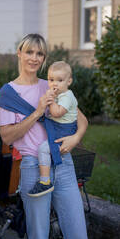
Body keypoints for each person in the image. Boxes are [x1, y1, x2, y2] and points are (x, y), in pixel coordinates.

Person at [0, 33, 88, 239]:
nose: (34, 58)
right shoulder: (8, 93)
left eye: (39, 53)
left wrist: (75, 138)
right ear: (19, 53)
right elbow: (7, 137)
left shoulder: (52, 84)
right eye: (29, 52)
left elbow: (82, 120)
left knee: (78, 238)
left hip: (63, 164)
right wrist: (38, 111)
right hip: (33, 168)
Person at [28, 61, 78, 197]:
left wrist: (50, 101)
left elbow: (56, 113)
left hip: (64, 130)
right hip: (58, 126)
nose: (54, 84)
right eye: (51, 80)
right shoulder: (60, 95)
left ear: (69, 81)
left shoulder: (67, 96)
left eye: (60, 80)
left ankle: (45, 181)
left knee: (44, 149)